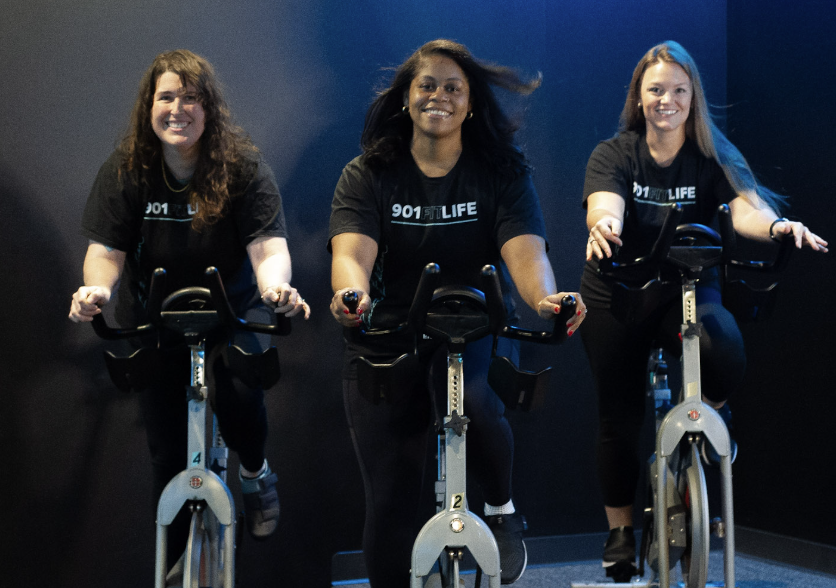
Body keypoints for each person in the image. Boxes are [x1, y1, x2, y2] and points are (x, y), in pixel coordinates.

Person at [328, 39, 586, 586]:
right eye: (427, 86)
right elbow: (351, 253)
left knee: (470, 394)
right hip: (391, 329)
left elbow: (527, 253)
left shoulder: (501, 171)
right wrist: (354, 297)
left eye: (453, 88)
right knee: (392, 498)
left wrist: (546, 300)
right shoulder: (368, 173)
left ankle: (501, 511)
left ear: (470, 103)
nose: (438, 97)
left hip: (476, 324)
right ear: (406, 98)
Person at [580, 40, 828, 582]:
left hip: (687, 284)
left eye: (677, 91)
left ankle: (712, 416)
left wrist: (778, 227)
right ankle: (622, 531)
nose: (665, 101)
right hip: (619, 287)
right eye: (655, 91)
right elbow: (605, 201)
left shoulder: (714, 154)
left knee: (725, 347)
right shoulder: (615, 153)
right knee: (617, 417)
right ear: (638, 98)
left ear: (692, 98)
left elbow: (748, 208)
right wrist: (605, 224)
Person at [68, 49, 310, 563]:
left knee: (242, 398)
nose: (179, 109)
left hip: (231, 311)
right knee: (165, 453)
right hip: (155, 319)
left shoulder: (242, 166)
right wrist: (97, 291)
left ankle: (254, 472)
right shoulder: (128, 168)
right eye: (167, 97)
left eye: (192, 98)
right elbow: (104, 252)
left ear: (210, 108)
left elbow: (269, 247)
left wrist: (275, 288)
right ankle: (174, 567)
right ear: (148, 107)